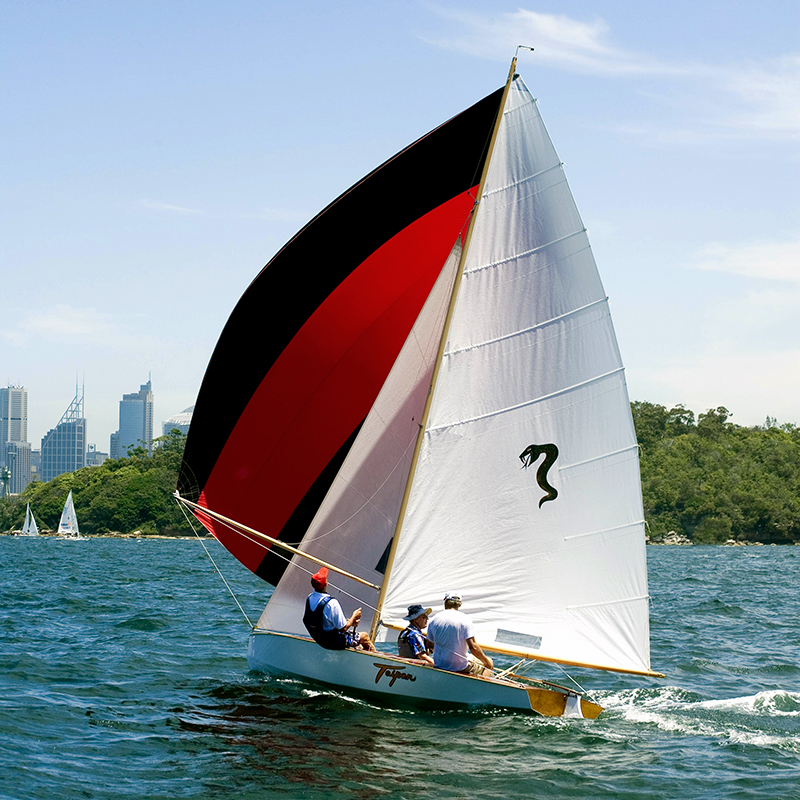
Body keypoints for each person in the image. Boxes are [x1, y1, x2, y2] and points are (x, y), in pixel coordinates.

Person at [302, 567, 375, 651]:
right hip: (332, 643)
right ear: (326, 583)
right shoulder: (331, 603)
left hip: (319, 639)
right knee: (365, 637)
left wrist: (350, 622)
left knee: (359, 644)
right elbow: (343, 628)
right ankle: (374, 662)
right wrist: (354, 617)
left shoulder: (309, 597)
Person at [426, 592, 494, 676]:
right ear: (459, 604)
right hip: (460, 667)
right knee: (489, 662)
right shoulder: (465, 619)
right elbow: (473, 648)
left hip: (440, 665)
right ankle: (482, 686)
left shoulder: (434, 619)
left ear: (445, 602)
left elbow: (429, 646)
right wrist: (488, 663)